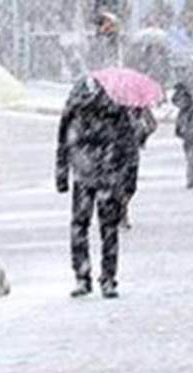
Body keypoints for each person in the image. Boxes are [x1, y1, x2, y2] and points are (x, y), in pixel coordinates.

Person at [56, 78, 140, 299]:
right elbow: (129, 147)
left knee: (80, 227)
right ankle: (108, 278)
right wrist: (129, 180)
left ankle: (83, 277)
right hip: (107, 176)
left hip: (85, 176)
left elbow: (63, 145)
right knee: (108, 229)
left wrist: (62, 174)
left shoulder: (73, 110)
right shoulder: (114, 111)